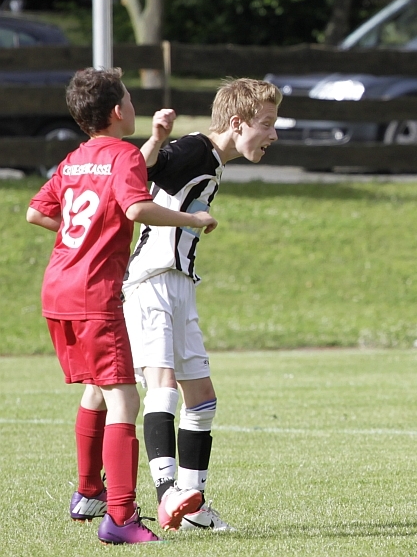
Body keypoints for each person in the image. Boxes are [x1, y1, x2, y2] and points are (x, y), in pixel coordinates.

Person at [26, 68, 218, 545]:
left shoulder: (75, 159)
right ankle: (120, 517)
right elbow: (136, 207)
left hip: (58, 288)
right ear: (118, 111)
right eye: (131, 99)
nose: (134, 105)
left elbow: (36, 212)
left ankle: (89, 493)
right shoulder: (124, 155)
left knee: (97, 387)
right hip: (95, 291)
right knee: (125, 400)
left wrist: (82, 235)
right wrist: (190, 218)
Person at [122, 78, 280, 532]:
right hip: (151, 281)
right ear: (238, 123)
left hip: (181, 285)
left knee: (203, 398)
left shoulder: (214, 161)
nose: (273, 135)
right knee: (163, 386)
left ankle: (193, 510)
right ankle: (166, 492)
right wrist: (156, 139)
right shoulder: (195, 148)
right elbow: (138, 171)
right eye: (266, 124)